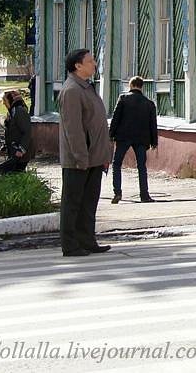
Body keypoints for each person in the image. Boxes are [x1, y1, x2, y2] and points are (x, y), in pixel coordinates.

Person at [58, 49, 113, 257]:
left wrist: (104, 154)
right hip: (79, 159)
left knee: (89, 202)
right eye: (90, 61)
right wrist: (81, 157)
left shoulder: (87, 87)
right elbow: (74, 130)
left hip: (94, 157)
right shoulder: (72, 90)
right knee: (73, 203)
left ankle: (87, 240)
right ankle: (70, 244)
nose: (94, 64)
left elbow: (96, 123)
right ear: (77, 66)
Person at [109, 76, 159, 204]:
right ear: (141, 87)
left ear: (130, 86)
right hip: (141, 139)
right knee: (141, 166)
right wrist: (154, 141)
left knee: (117, 164)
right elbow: (153, 124)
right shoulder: (149, 103)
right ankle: (144, 195)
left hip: (123, 136)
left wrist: (111, 134)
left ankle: (117, 193)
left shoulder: (123, 99)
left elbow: (115, 118)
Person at [0, 91, 33, 176]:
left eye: (5, 101)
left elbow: (27, 132)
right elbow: (9, 132)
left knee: (17, 173)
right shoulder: (11, 112)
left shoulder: (20, 111)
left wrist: (21, 149)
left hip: (20, 153)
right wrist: (5, 147)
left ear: (11, 100)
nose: (4, 103)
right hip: (13, 151)